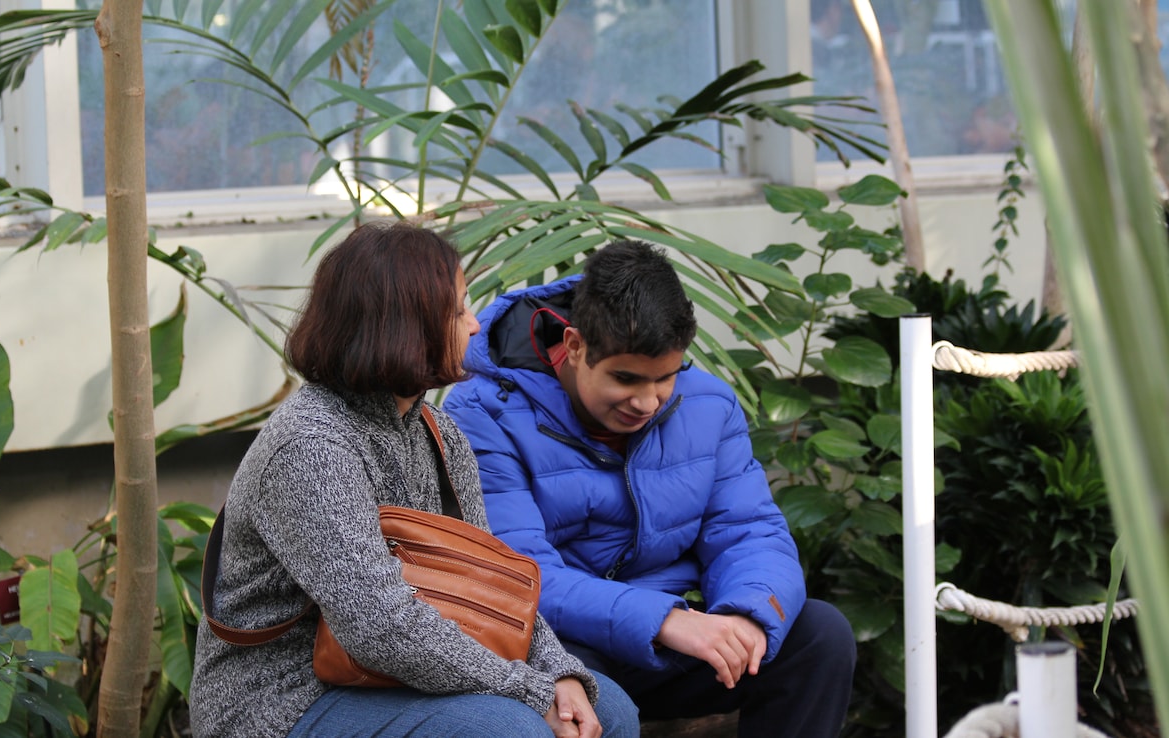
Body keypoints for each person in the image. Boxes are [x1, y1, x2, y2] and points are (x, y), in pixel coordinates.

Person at [190, 222, 640, 738]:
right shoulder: (311, 447)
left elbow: (491, 586)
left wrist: (558, 672)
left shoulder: (438, 431)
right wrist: (527, 689)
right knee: (506, 729)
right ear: (402, 327)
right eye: (457, 310)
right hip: (283, 698)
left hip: (385, 675)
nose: (474, 326)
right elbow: (378, 626)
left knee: (612, 712)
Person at [444, 240, 857, 737]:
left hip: (683, 634)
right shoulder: (481, 413)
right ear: (575, 347)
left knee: (819, 635)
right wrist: (663, 620)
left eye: (666, 378)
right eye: (626, 378)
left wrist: (745, 618)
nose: (648, 401)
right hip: (568, 644)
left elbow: (749, 531)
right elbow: (519, 572)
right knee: (572, 683)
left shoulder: (709, 404)